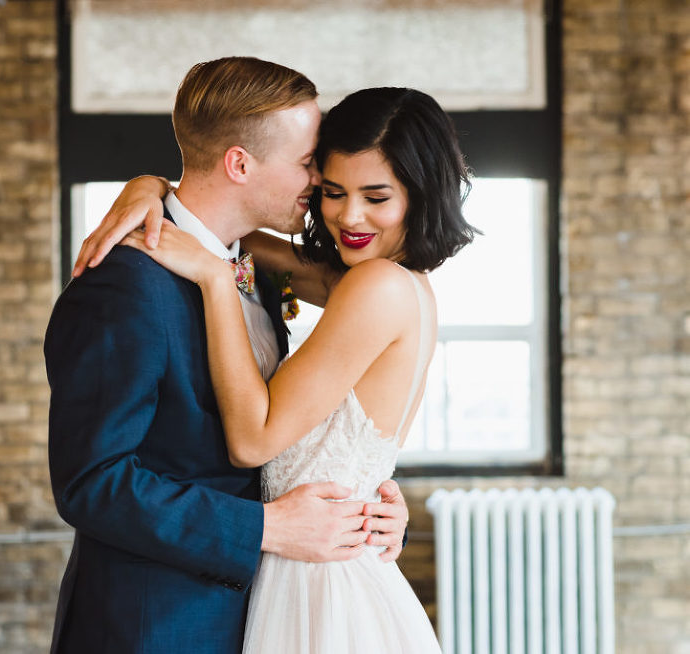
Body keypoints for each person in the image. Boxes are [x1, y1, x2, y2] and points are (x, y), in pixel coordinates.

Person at [82, 86, 478, 652]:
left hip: (319, 585)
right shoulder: (387, 280)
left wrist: (217, 282)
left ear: (421, 194)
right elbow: (230, 230)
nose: (349, 216)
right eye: (333, 191)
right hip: (321, 568)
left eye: (377, 196)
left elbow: (252, 442)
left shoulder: (376, 286)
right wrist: (149, 189)